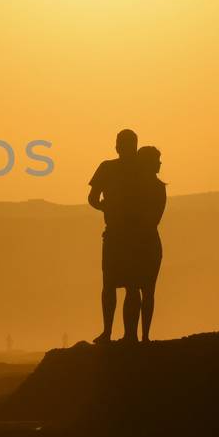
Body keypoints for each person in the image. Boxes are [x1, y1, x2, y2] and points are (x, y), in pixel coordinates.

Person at [89, 129, 142, 343]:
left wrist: (104, 207)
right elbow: (92, 197)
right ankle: (110, 332)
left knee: (130, 285)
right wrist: (105, 208)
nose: (121, 147)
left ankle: (127, 334)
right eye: (121, 143)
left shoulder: (141, 169)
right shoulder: (108, 168)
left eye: (125, 143)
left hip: (133, 236)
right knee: (112, 284)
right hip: (116, 234)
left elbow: (92, 198)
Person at [125, 145, 166, 342]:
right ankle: (138, 336)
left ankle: (141, 336)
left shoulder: (152, 188)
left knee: (141, 290)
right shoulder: (155, 188)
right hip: (145, 242)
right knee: (139, 290)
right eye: (157, 160)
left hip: (142, 243)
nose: (160, 163)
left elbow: (153, 218)